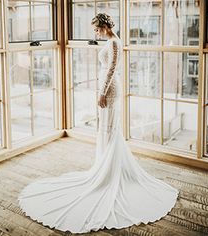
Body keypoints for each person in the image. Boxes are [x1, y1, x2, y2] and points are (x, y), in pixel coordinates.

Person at [18, 13, 179, 234]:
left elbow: (112, 68)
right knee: (107, 131)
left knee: (110, 131)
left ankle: (108, 173)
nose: (95, 33)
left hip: (110, 90)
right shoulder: (112, 41)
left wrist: (102, 92)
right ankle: (103, 167)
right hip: (107, 87)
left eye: (96, 29)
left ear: (104, 26)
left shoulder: (114, 42)